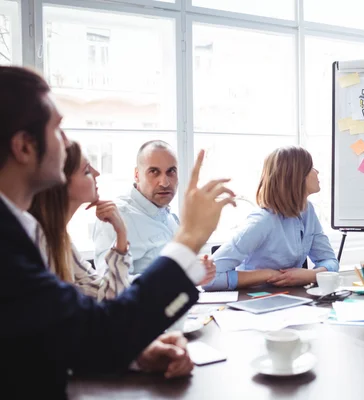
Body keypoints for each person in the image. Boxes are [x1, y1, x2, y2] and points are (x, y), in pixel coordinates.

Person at [0, 66, 235, 398]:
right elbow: (102, 327)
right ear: (24, 147)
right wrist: (189, 237)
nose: (67, 143)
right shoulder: (7, 245)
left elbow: (58, 336)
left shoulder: (22, 231)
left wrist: (136, 354)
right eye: (57, 129)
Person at [204, 146, 339, 291]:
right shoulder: (262, 221)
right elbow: (208, 279)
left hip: (290, 298)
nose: (317, 172)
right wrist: (267, 274)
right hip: (255, 300)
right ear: (297, 176)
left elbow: (331, 261)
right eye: (311, 167)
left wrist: (310, 275)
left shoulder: (308, 211)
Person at [29, 141, 132, 300]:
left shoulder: (61, 240)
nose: (97, 173)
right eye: (86, 171)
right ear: (61, 183)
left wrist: (121, 234)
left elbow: (109, 297)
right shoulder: (39, 241)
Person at [93, 140, 180, 275]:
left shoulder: (170, 217)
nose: (165, 182)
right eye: (154, 171)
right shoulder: (117, 217)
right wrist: (167, 283)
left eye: (171, 171)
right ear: (137, 175)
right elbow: (110, 286)